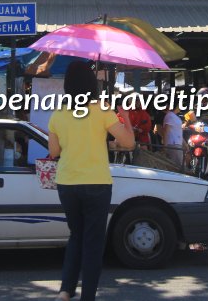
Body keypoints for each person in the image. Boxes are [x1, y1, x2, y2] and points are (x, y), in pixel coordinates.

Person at [48, 61, 135, 301]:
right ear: (91, 85)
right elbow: (128, 143)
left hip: (67, 183)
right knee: (93, 242)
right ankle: (87, 296)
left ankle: (65, 291)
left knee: (76, 235)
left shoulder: (58, 114)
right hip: (96, 183)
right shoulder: (102, 110)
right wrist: (125, 117)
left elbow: (54, 151)